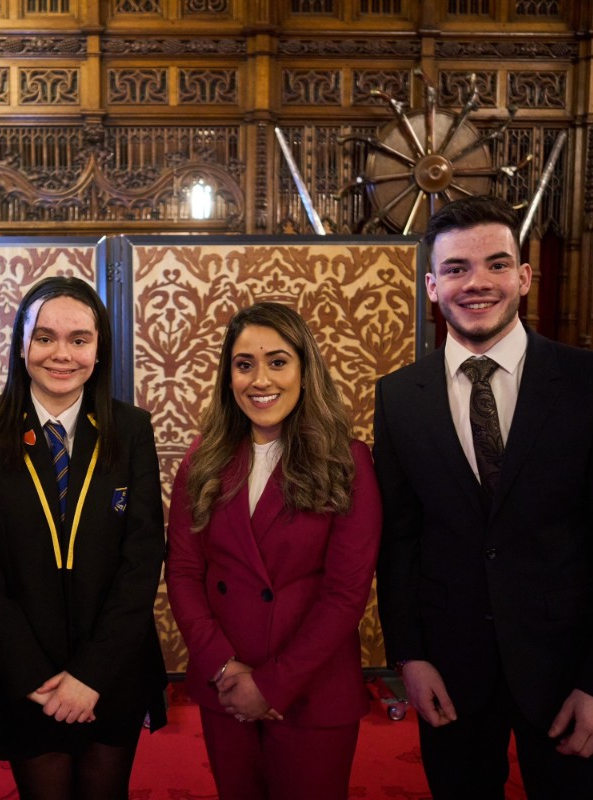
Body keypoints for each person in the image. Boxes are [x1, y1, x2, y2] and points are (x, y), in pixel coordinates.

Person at [373, 195, 593, 799]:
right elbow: (400, 540)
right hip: (451, 677)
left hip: (571, 675)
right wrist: (410, 658)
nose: (477, 283)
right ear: (432, 285)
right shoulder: (399, 397)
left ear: (524, 277)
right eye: (456, 269)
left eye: (496, 264)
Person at [165, 301, 382, 800]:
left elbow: (346, 594)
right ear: (229, 377)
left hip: (311, 691)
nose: (260, 380)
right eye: (244, 365)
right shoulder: (203, 460)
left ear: (306, 370)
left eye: (278, 361)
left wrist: (273, 685)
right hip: (227, 690)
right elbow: (182, 572)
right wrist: (223, 667)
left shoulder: (347, 461)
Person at [0, 276, 167, 800]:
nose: (62, 354)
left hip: (112, 668)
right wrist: (30, 672)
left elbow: (141, 559)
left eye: (79, 339)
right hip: (26, 671)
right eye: (44, 337)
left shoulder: (131, 429)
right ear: (21, 344)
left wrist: (92, 673)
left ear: (99, 350)